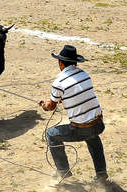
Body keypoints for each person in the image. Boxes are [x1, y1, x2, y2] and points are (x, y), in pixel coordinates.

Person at [38, 45, 108, 184]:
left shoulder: (59, 82)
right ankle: (101, 174)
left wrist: (43, 105)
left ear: (61, 63)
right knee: (93, 136)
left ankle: (63, 171)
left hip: (81, 128)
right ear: (75, 62)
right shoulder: (84, 75)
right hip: (99, 124)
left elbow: (50, 106)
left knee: (51, 135)